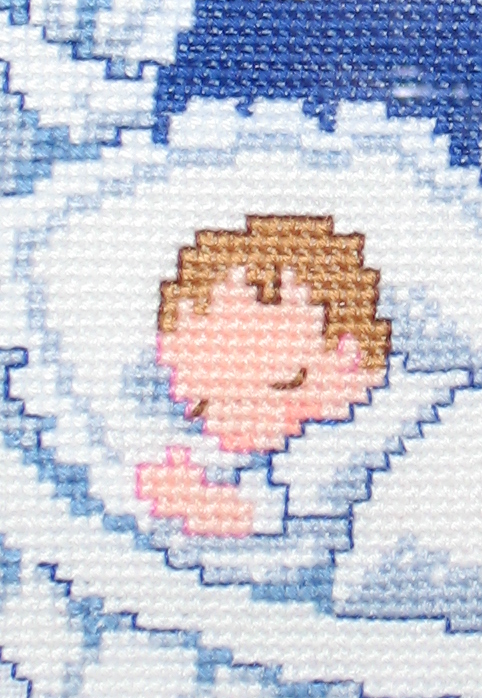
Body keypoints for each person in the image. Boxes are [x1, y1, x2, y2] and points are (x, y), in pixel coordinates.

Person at [134, 213, 391, 538]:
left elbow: (286, 511)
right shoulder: (249, 463)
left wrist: (204, 505)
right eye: (201, 406)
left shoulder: (338, 449)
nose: (226, 424)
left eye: (284, 384)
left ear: (349, 356)